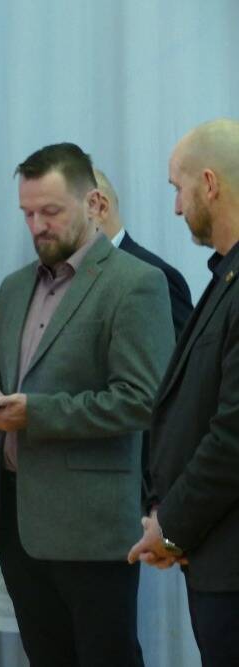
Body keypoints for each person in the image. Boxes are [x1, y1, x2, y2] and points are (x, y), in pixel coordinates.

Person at [0, 143, 174, 666]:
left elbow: (142, 401)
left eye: (50, 212)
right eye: (27, 213)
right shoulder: (14, 288)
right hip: (17, 528)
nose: (37, 226)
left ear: (93, 203)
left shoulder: (136, 284)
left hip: (93, 532)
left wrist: (33, 413)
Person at [128, 118, 239, 666]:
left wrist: (171, 526)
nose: (176, 207)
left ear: (210, 184)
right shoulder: (225, 277)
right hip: (216, 556)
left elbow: (232, 437)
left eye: (179, 187)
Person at [93, 167, 193, 338]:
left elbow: (184, 352)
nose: (46, 226)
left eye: (56, 212)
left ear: (101, 208)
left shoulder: (155, 276)